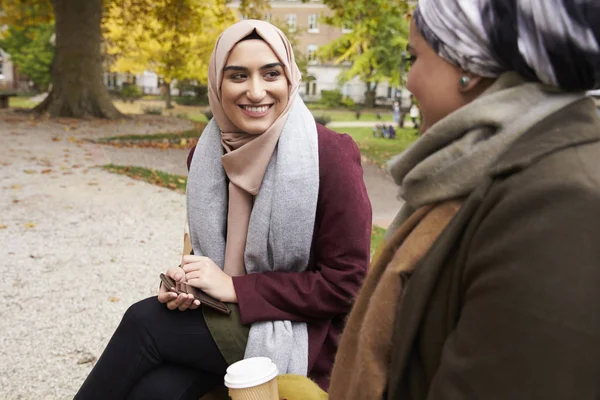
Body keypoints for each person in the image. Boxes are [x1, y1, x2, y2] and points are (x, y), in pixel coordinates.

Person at [74, 20, 371, 400]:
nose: (256, 90)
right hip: (228, 315)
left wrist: (234, 287)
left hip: (303, 331)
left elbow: (347, 284)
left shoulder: (328, 155)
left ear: (290, 78)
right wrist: (187, 282)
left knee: (144, 323)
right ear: (217, 83)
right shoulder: (207, 155)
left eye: (270, 73)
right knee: (156, 390)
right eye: (237, 76)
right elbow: (216, 257)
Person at [326, 1, 600, 399]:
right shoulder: (493, 168)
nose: (408, 81)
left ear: (467, 65)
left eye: (414, 56)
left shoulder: (561, 202)